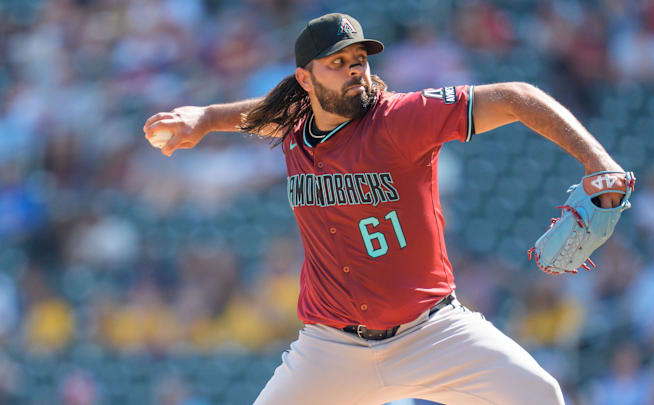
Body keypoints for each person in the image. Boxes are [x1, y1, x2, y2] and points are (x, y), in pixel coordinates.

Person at [143, 13, 626, 405]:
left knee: (540, 396)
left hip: (432, 332)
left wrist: (597, 161)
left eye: (360, 59)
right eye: (338, 62)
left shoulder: (401, 118)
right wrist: (206, 118)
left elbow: (516, 98)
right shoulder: (293, 121)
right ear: (304, 79)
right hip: (332, 349)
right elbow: (264, 113)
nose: (356, 69)